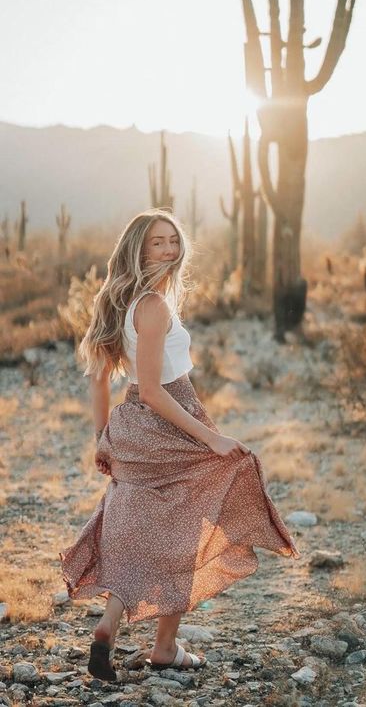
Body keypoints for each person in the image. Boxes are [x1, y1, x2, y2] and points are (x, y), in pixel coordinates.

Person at [59, 208, 301, 682]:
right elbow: (152, 389)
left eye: (173, 240)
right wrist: (211, 436)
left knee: (141, 531)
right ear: (138, 249)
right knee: (189, 529)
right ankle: (165, 647)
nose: (169, 249)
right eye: (157, 243)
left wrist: (103, 436)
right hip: (168, 417)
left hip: (133, 426)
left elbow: (99, 380)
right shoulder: (151, 305)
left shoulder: (119, 301)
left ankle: (108, 626)